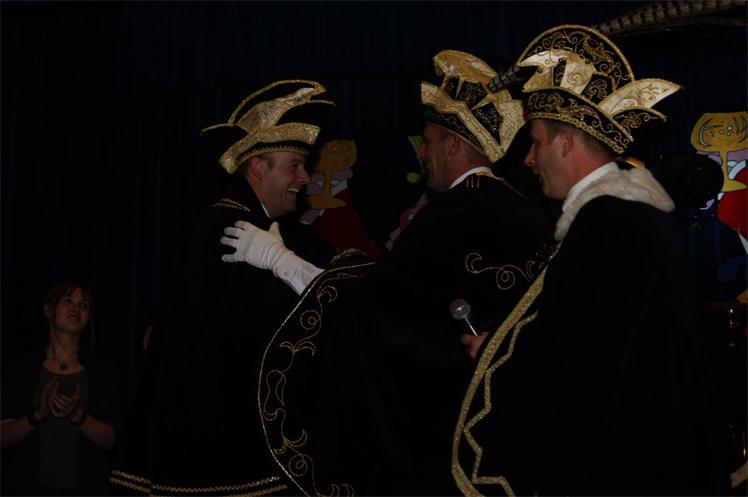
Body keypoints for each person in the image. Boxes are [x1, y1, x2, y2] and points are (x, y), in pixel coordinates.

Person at [220, 50, 555, 495]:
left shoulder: (451, 217)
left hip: (450, 441)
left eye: (429, 142)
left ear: (454, 145)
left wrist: (283, 261)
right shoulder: (529, 215)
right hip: (515, 433)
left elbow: (374, 308)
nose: (423, 153)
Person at [453, 24, 731, 496]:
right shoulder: (629, 218)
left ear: (565, 142)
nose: (529, 159)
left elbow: (580, 362)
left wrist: (496, 357)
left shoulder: (608, 224)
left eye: (536, 142)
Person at [108, 80, 335, 496]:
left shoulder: (246, 228)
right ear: (258, 167)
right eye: (295, 165)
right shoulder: (231, 230)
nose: (305, 177)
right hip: (223, 459)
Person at [1, 279, 123, 496]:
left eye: (84, 305)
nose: (76, 308)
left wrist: (77, 416)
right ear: (48, 310)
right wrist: (37, 415)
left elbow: (110, 440)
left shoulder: (102, 370)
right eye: (68, 300)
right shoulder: (21, 367)